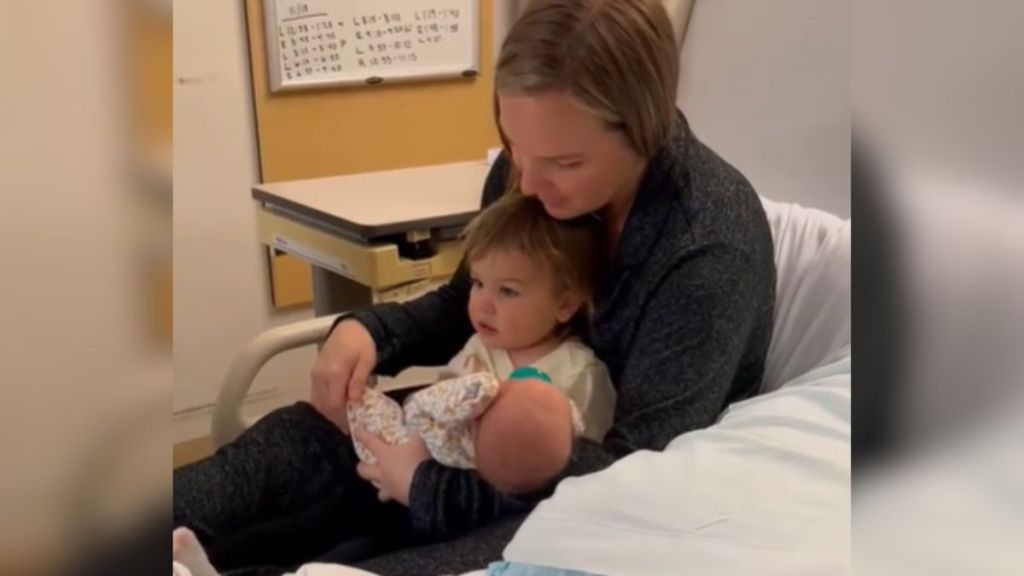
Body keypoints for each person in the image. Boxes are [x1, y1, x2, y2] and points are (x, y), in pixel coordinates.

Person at [173, 0, 776, 574]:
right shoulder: (524, 172)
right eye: (515, 145)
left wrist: (426, 486)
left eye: (566, 163)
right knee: (293, 449)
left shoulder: (707, 248)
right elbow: (464, 309)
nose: (530, 184)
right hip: (458, 433)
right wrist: (367, 331)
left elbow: (632, 473)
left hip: (569, 485)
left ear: (647, 129)